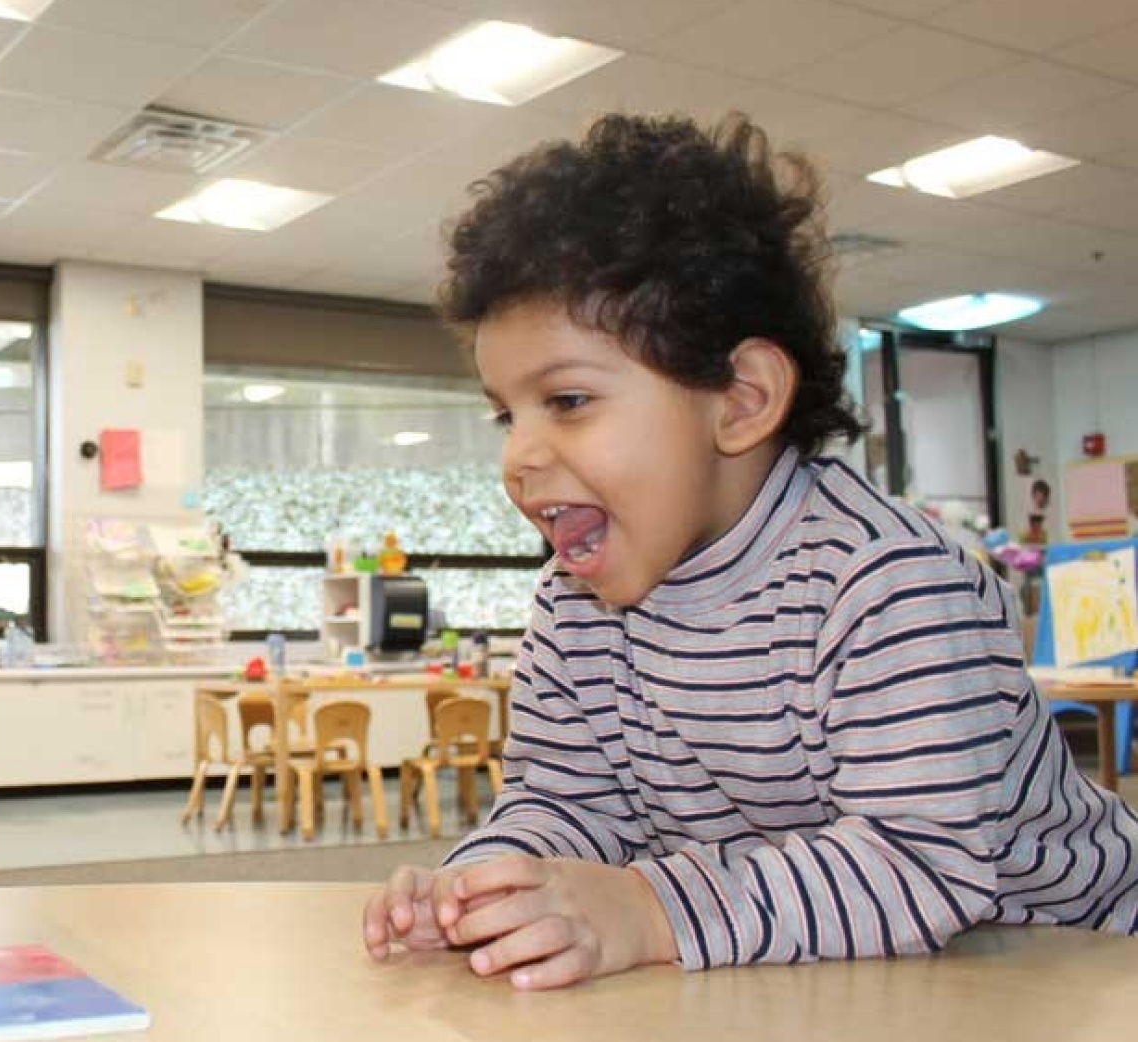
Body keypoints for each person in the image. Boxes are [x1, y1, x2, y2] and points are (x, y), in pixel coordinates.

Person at [361, 113, 1138, 989]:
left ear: (740, 400)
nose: (519, 456)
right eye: (509, 414)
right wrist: (490, 883)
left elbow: (920, 866)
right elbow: (564, 802)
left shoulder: (885, 584)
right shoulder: (572, 603)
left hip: (1063, 965)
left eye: (568, 400)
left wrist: (650, 908)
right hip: (826, 965)